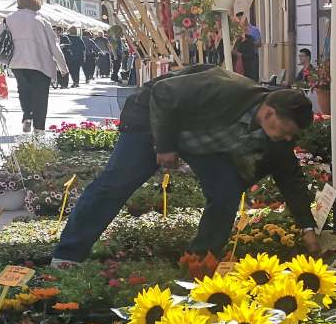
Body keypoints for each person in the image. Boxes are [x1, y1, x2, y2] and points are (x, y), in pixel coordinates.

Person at [51, 64, 317, 265]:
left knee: (226, 191)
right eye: (287, 130)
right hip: (152, 119)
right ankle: (67, 256)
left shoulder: (277, 138)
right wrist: (165, 145)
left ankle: (201, 261)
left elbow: (290, 178)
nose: (289, 138)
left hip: (199, 140)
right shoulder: (226, 88)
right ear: (270, 112)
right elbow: (163, 93)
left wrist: (307, 226)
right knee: (115, 184)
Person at [0, 0, 68, 134]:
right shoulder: (41, 20)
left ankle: (27, 116)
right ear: (36, 5)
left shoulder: (9, 18)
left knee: (24, 90)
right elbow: (54, 46)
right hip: (40, 63)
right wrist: (63, 67)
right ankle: (39, 128)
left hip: (17, 61)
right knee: (40, 96)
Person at [233, 13, 259, 81]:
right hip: (242, 62)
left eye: (240, 19)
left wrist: (247, 42)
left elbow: (259, 43)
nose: (239, 22)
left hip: (251, 58)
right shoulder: (238, 38)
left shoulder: (253, 30)